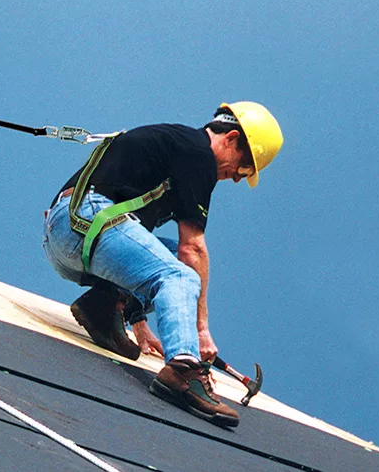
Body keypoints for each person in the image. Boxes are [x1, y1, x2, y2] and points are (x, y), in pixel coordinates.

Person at [42, 102, 282, 427]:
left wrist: (139, 325)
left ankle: (104, 309)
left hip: (72, 234)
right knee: (183, 275)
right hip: (82, 222)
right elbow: (192, 248)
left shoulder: (175, 154)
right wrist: (199, 332)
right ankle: (184, 372)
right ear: (231, 138)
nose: (238, 179)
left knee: (166, 259)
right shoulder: (198, 153)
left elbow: (139, 251)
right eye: (244, 167)